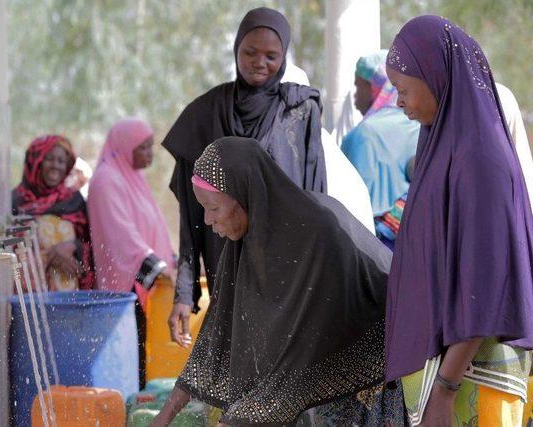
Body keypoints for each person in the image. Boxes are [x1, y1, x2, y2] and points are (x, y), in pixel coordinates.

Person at [151, 137, 405, 426]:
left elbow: (303, 350)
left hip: (364, 371)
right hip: (306, 383)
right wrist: (164, 416)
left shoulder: (315, 235)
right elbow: (216, 338)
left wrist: (243, 416)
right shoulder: (244, 247)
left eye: (214, 208)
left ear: (246, 194)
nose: (208, 220)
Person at [162, 7, 373, 349]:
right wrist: (184, 293)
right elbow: (191, 217)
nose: (260, 62)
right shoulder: (203, 115)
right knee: (237, 361)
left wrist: (315, 278)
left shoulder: (299, 111)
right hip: (225, 266)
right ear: (236, 51)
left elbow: (313, 197)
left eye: (271, 56)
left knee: (286, 362)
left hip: (285, 269)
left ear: (284, 56)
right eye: (250, 52)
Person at [384, 16, 533, 425]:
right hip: (451, 375)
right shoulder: (445, 149)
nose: (399, 103)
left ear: (436, 78)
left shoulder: (480, 161)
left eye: (403, 90)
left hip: (473, 380)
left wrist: (444, 393)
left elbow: (484, 286)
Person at [87, 118, 175, 389]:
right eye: (144, 148)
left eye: (151, 147)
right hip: (127, 290)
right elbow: (121, 236)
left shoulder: (132, 177)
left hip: (142, 285)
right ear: (125, 147)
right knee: (134, 357)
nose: (150, 154)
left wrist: (174, 261)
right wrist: (158, 269)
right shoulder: (106, 181)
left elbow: (153, 227)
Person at [12, 135, 95, 290]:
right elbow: (10, 250)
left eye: (61, 161)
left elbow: (93, 244)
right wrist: (50, 256)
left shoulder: (74, 201)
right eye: (49, 159)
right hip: (29, 295)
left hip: (70, 293)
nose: (55, 166)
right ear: (35, 162)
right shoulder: (17, 201)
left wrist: (72, 247)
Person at [341, 50, 419, 215]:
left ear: (375, 88)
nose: (355, 97)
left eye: (358, 86)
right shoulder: (421, 126)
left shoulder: (363, 134)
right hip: (414, 234)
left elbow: (347, 204)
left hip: (367, 236)